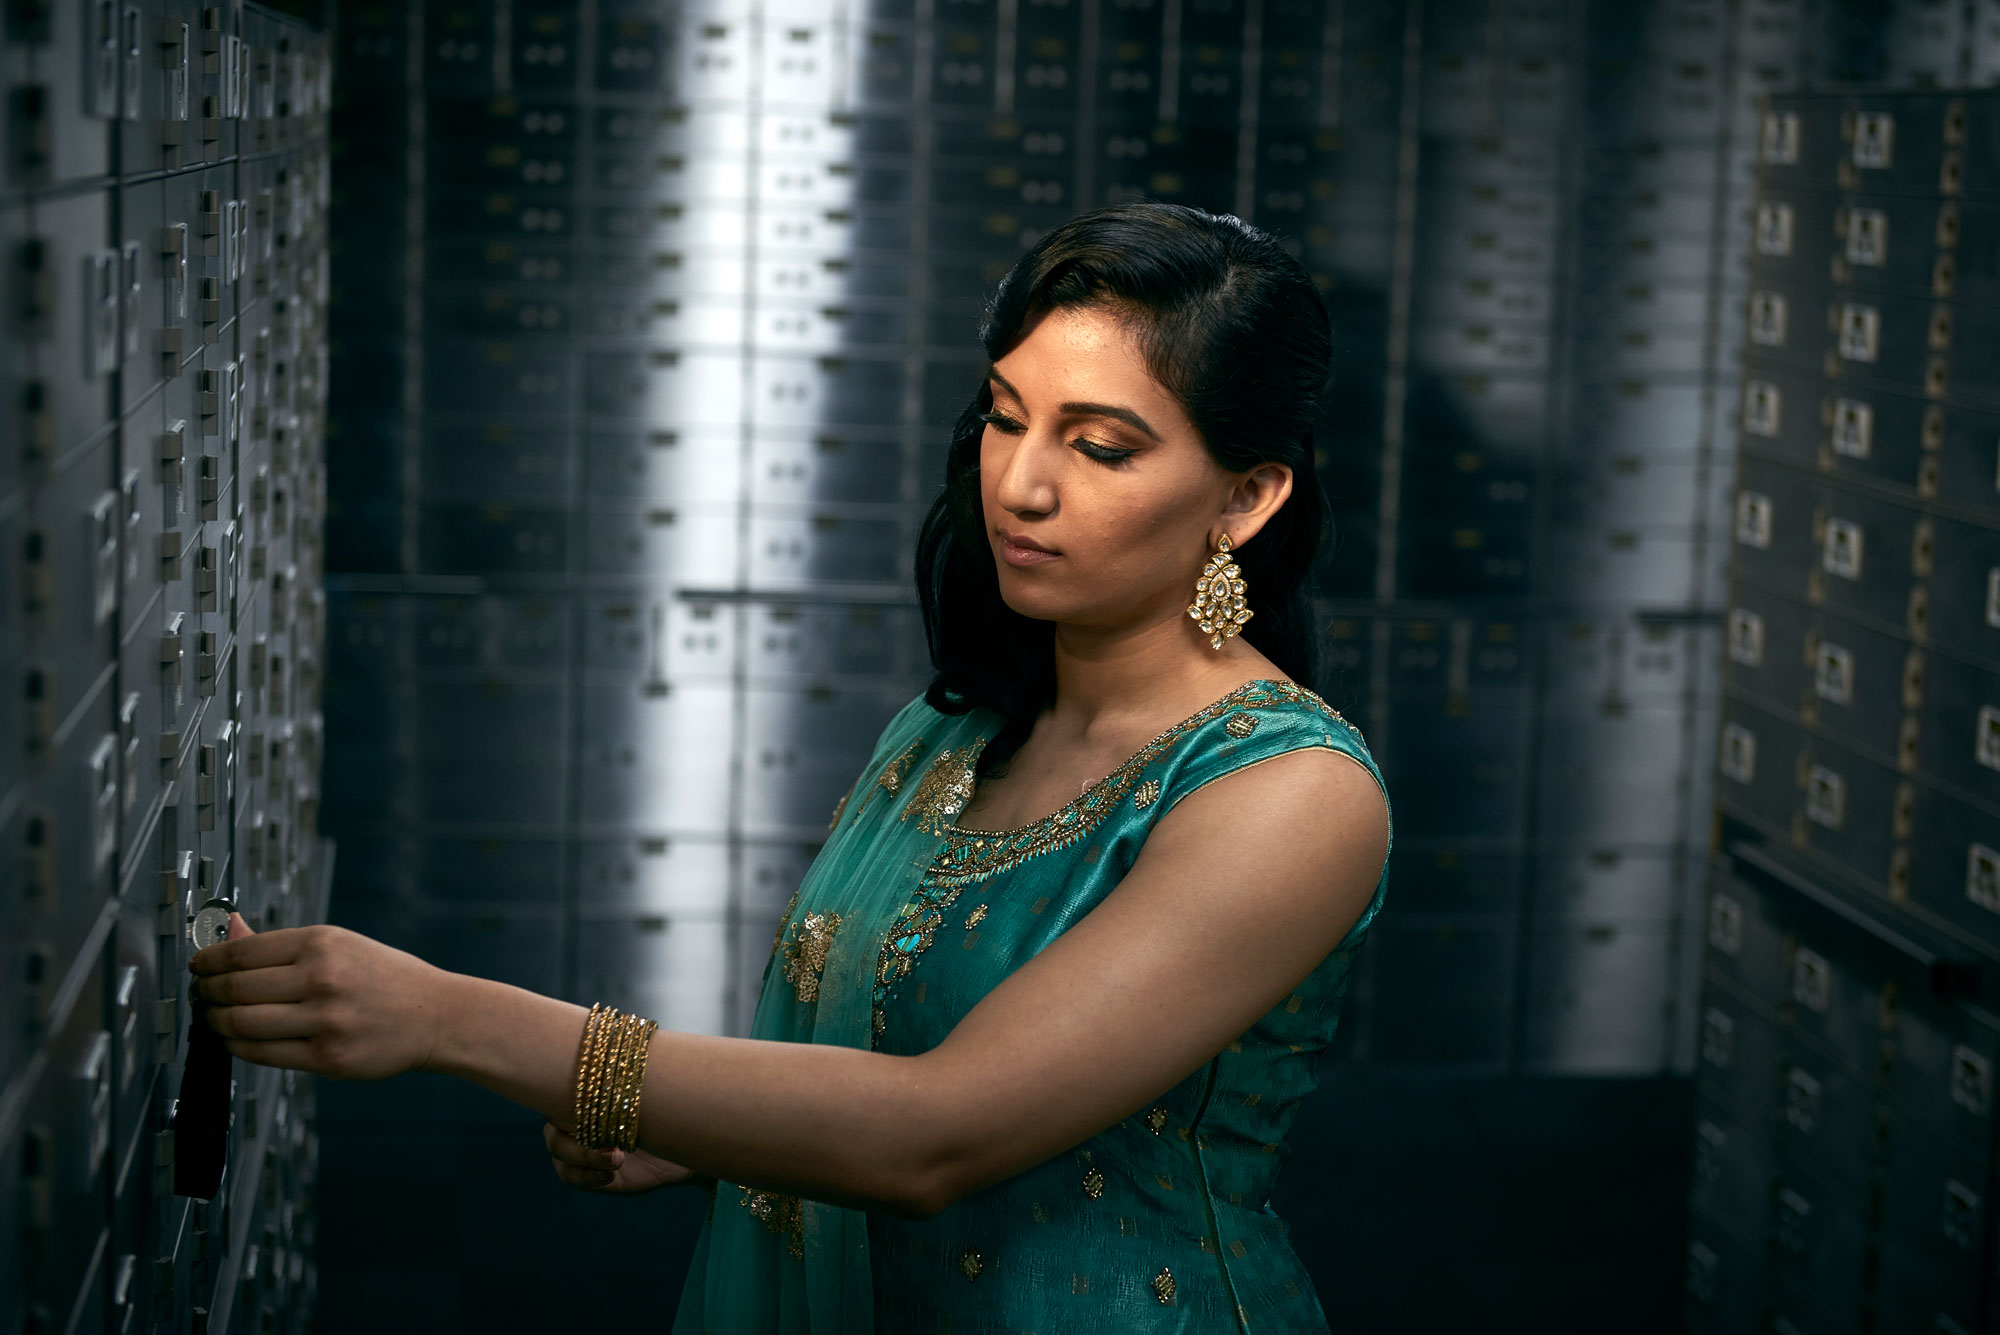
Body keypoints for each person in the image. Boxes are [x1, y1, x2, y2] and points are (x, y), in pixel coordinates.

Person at [189, 200, 1392, 1333]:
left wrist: (449, 1019)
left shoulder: (1286, 795)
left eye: (1101, 448)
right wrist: (712, 1135)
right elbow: (877, 1062)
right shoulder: (954, 730)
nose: (1019, 483)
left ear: (1243, 497)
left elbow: (935, 1134)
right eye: (1004, 415)